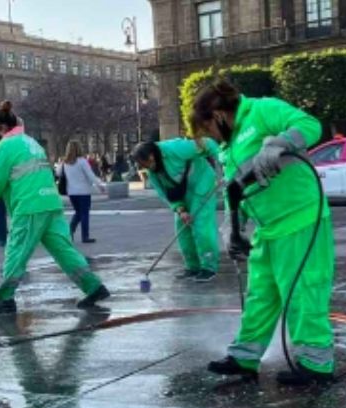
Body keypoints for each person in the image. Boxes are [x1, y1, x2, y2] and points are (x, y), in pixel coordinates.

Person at [191, 79, 335, 386]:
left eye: (208, 129)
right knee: (260, 296)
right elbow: (240, 190)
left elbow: (309, 125)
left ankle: (316, 364)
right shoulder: (228, 149)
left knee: (302, 291)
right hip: (268, 229)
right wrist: (234, 224)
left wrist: (280, 141)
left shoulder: (262, 110)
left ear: (217, 115)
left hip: (300, 218)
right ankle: (245, 357)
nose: (211, 137)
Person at [0, 101, 110, 315]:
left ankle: (5, 299)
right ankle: (94, 287)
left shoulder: (6, 146)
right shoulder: (33, 143)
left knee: (16, 251)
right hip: (51, 203)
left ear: (2, 128)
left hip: (30, 206)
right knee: (63, 250)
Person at [131, 138, 221, 282]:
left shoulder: (176, 148)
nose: (146, 167)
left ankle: (209, 267)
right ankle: (193, 266)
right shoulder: (152, 171)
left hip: (202, 185)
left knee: (201, 226)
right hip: (180, 193)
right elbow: (163, 192)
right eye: (142, 165)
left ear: (152, 156)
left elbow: (209, 144)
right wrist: (180, 209)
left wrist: (223, 168)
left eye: (146, 163)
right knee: (182, 228)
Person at [62, 141, 107, 244]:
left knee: (78, 212)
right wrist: (100, 185)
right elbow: (90, 175)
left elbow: (59, 174)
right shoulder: (82, 161)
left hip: (71, 192)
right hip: (83, 191)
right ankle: (85, 236)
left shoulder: (65, 163)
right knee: (84, 214)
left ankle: (69, 232)